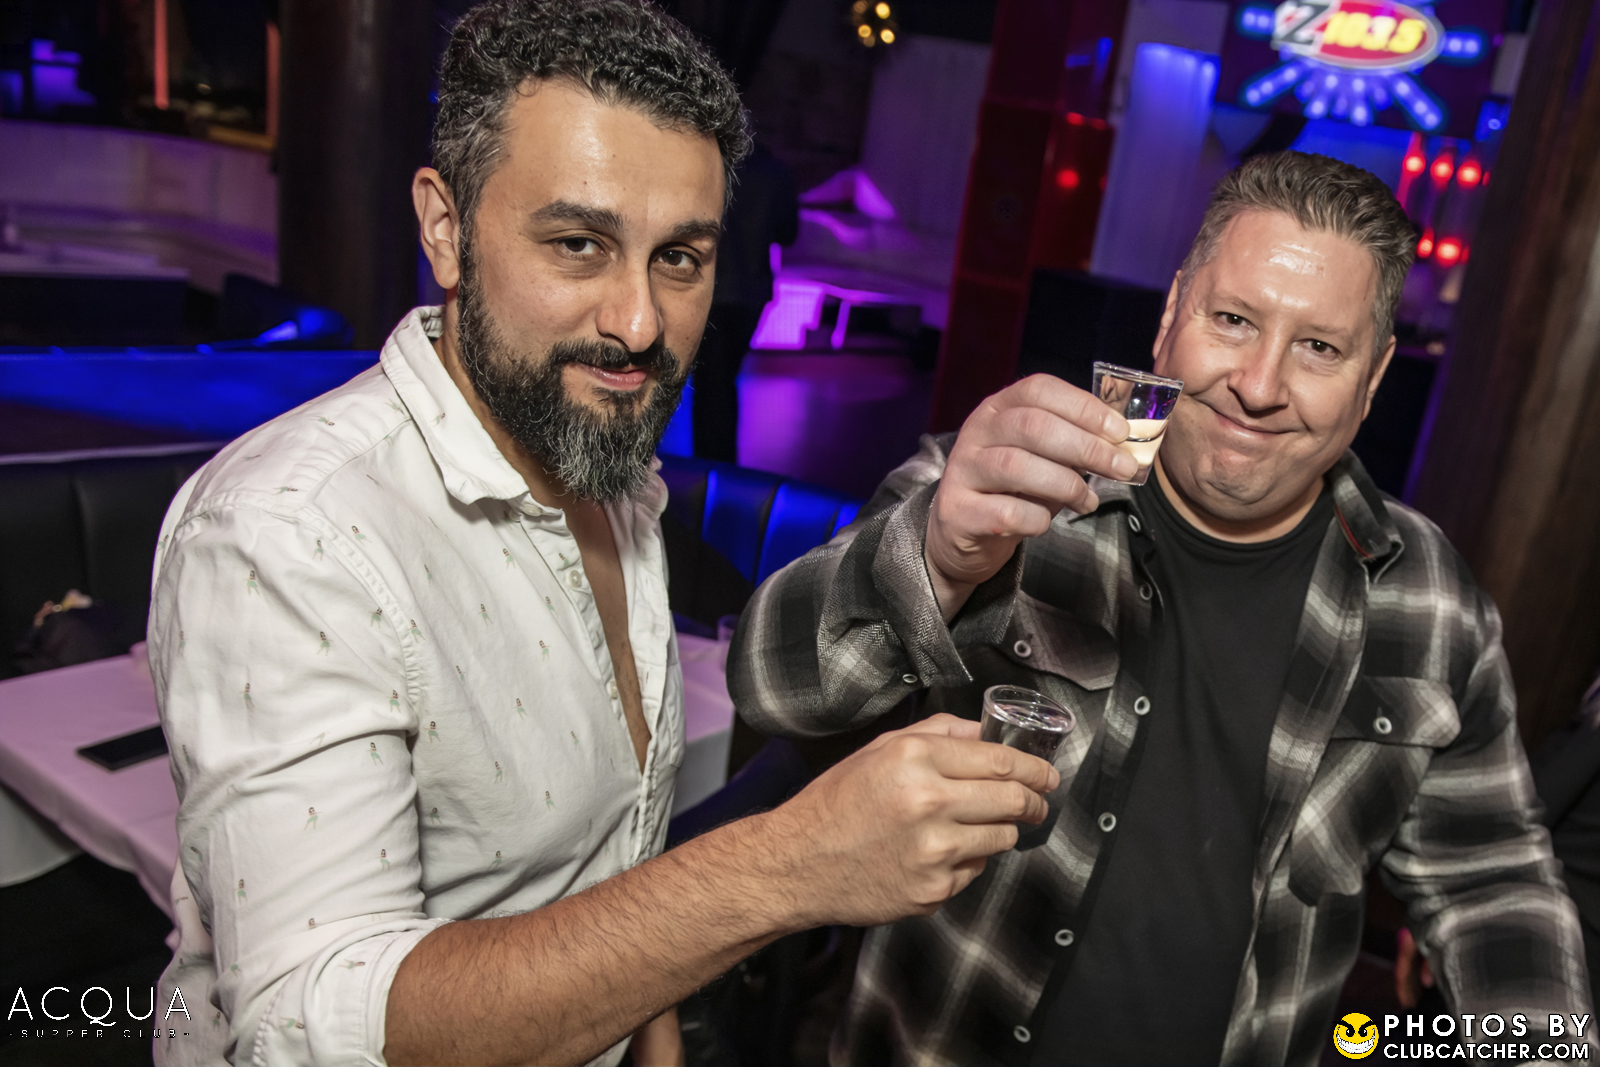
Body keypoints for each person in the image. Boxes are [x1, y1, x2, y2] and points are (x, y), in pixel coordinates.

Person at [147, 3, 1059, 1065]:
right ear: (444, 227)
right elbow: (307, 1031)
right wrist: (790, 863)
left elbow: (610, 870)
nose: (637, 322)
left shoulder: (604, 469)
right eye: (578, 244)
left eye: (680, 258)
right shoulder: (289, 534)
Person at [730, 151, 1594, 1065]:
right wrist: (939, 556)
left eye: (1319, 347)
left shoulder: (1429, 599)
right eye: (1233, 319)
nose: (1259, 384)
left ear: (1373, 376)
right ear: (1172, 312)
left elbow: (1492, 878)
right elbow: (772, 687)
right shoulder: (1002, 493)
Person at [691, 140, 798, 462]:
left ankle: (708, 467)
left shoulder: (709, 164)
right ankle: (719, 466)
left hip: (710, 289)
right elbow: (788, 234)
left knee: (710, 384)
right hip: (752, 291)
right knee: (723, 381)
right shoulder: (776, 172)